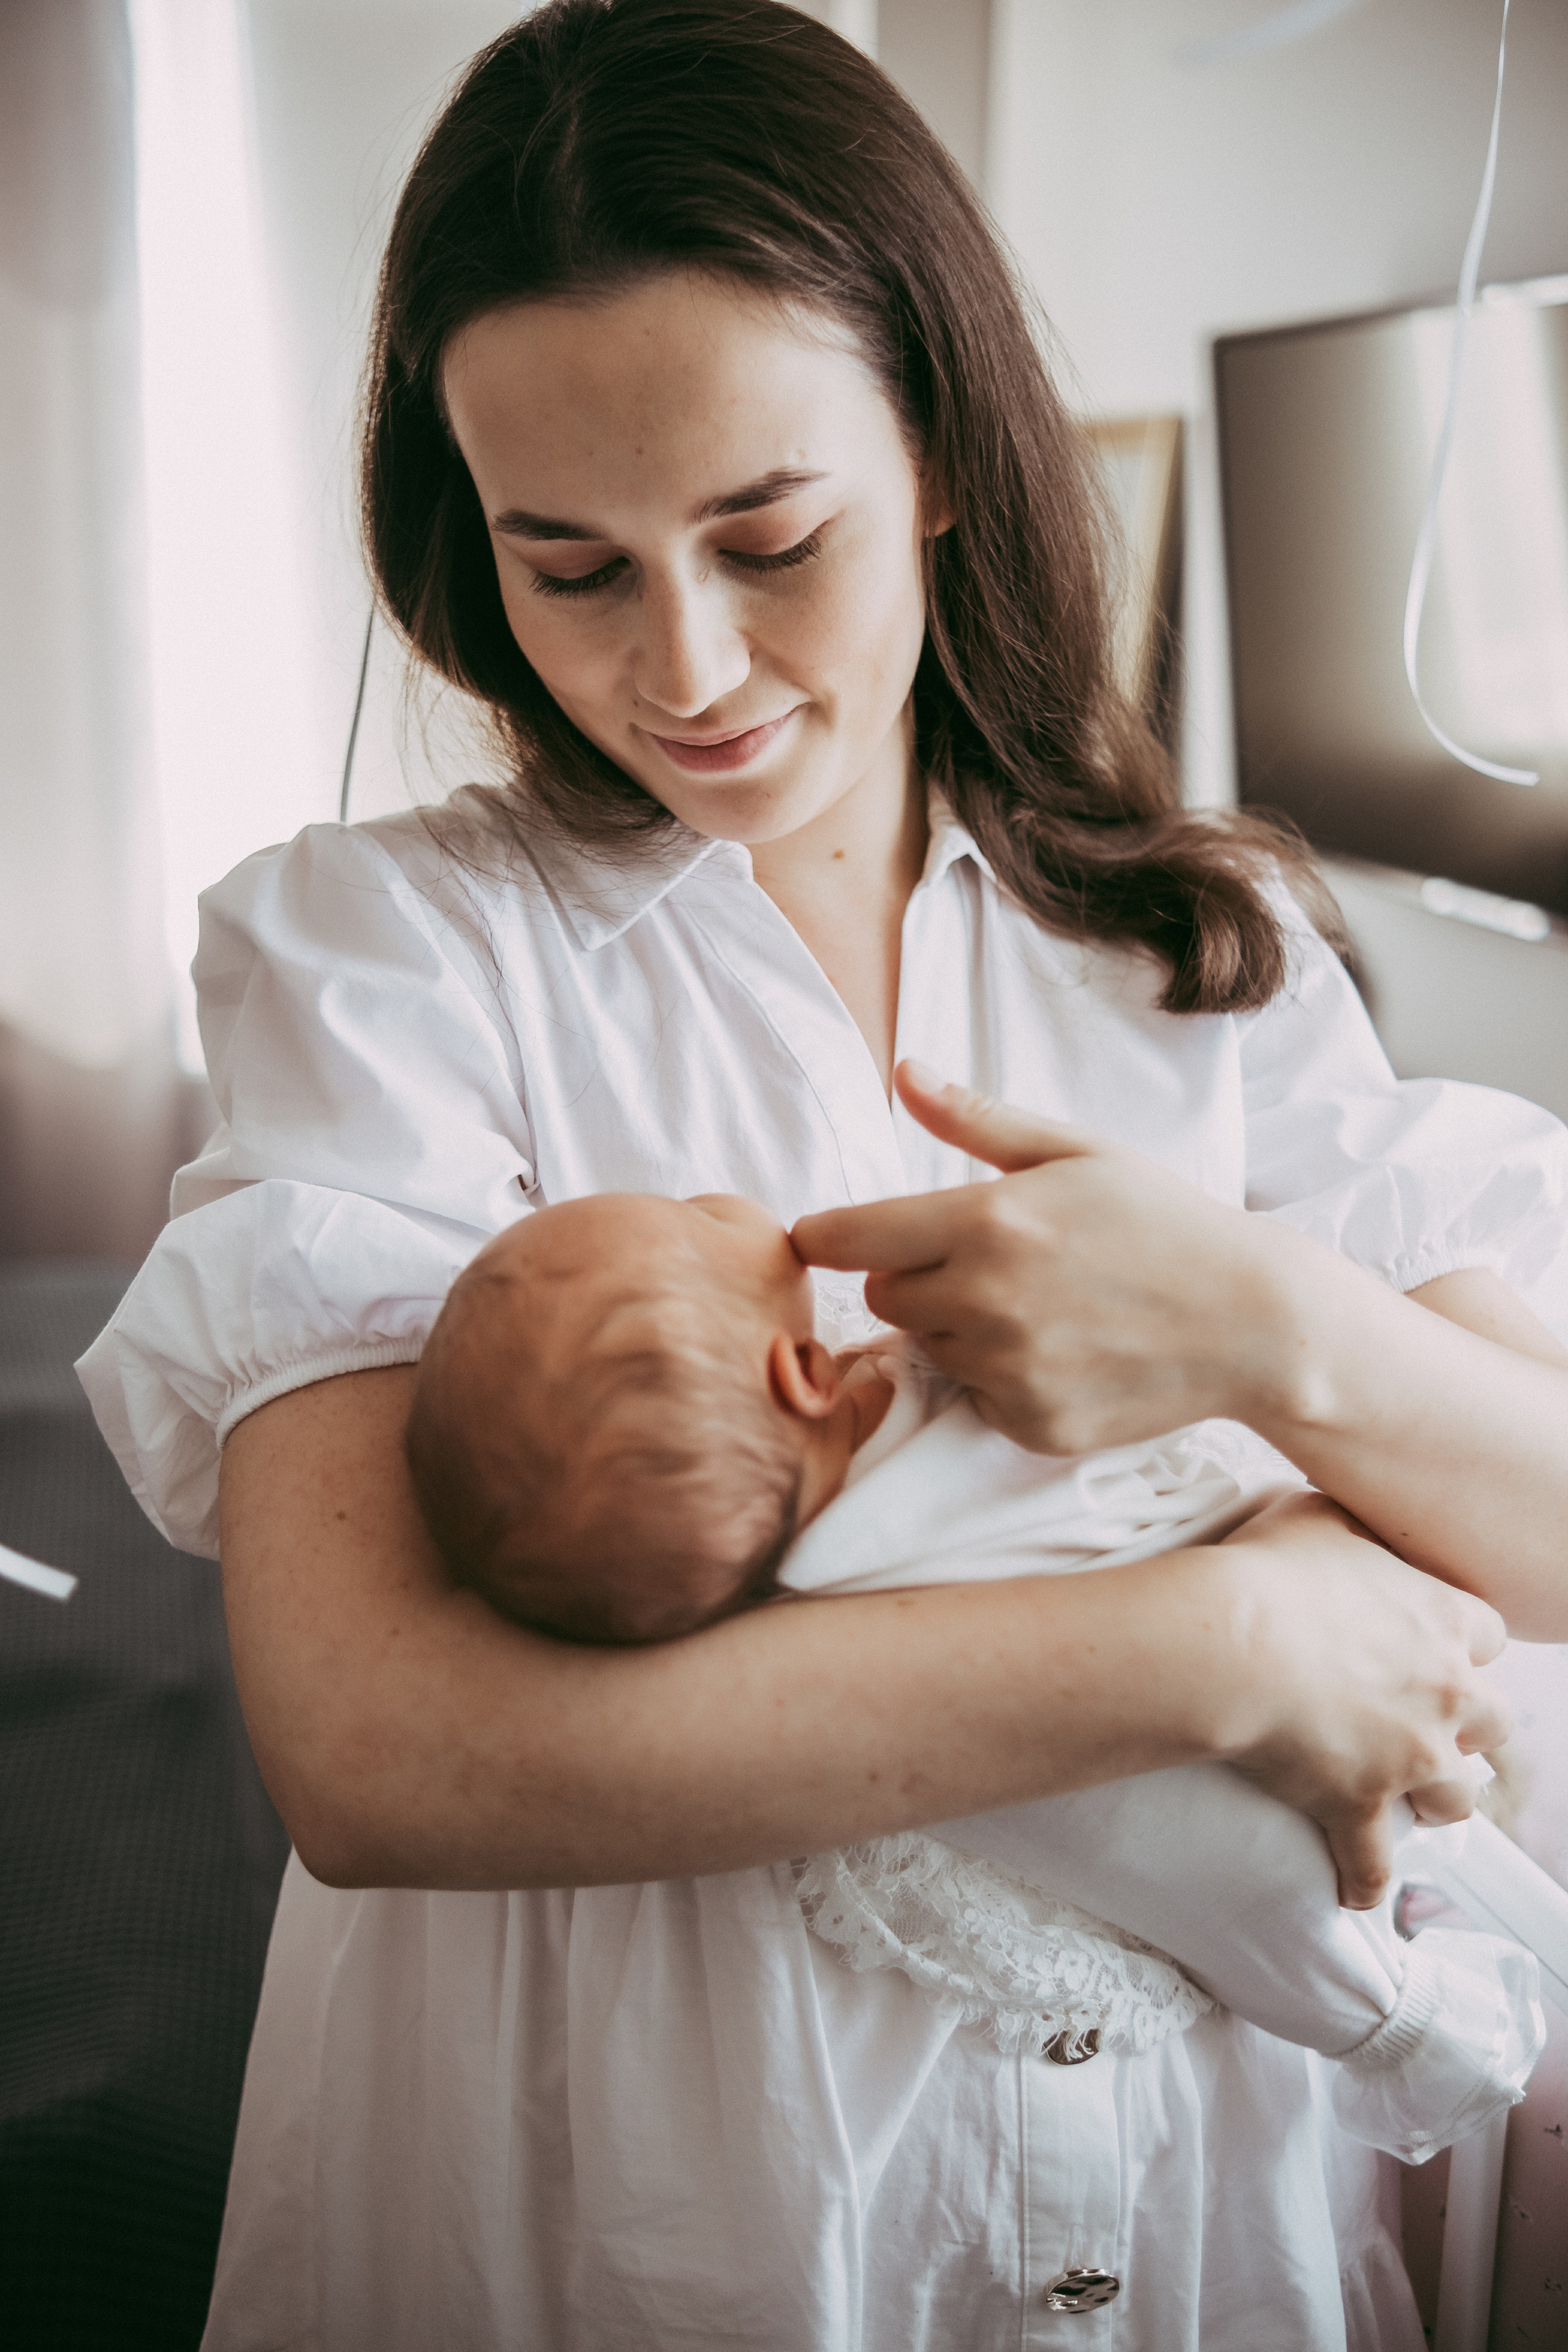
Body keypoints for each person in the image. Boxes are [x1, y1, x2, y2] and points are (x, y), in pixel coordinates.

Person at [74, 2, 1568, 2344]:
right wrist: (1229, 1636)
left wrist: (1259, 1319)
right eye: (568, 568)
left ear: (953, 459)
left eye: (770, 539)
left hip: (1202, 2201)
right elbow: (377, 1747)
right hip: (649, 2189)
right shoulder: (386, 951)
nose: (685, 670)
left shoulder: (1204, 953)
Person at [401, 1181, 1545, 2168]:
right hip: (1254, 1759)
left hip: (1303, 1704)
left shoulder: (785, 1591)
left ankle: (1416, 1984)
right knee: (1259, 1894)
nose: (703, 1197)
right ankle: (1416, 2027)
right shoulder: (928, 1461)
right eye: (690, 1221)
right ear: (803, 1372)